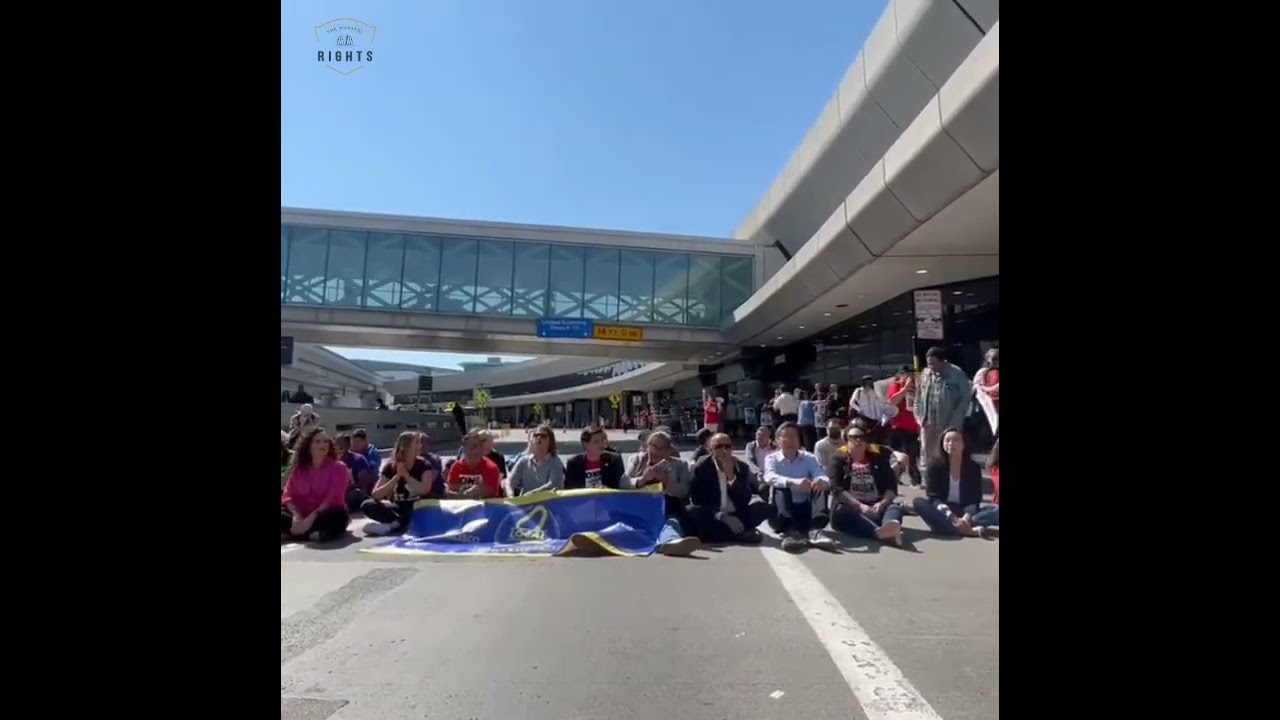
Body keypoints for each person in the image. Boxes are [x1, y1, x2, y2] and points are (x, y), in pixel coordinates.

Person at [687, 433, 773, 543]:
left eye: (727, 446)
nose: (723, 450)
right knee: (691, 511)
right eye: (718, 447)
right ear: (711, 450)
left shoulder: (741, 467)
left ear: (732, 448)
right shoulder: (702, 468)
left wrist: (732, 478)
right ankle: (739, 534)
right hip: (714, 515)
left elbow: (745, 499)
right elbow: (696, 499)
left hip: (736, 513)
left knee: (764, 508)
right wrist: (721, 516)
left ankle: (726, 534)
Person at [626, 430, 700, 556]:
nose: (658, 451)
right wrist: (642, 479)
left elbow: (684, 491)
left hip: (668, 507)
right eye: (654, 447)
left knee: (671, 524)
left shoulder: (680, 465)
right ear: (647, 447)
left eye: (663, 448)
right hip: (641, 506)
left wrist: (667, 482)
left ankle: (671, 543)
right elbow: (624, 483)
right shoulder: (637, 460)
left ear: (669, 450)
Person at [764, 422, 835, 551]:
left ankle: (815, 531)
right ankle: (790, 533)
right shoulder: (772, 458)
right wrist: (792, 482)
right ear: (778, 440)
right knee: (781, 487)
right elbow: (769, 476)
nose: (791, 440)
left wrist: (822, 481)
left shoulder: (809, 458)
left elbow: (820, 474)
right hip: (781, 514)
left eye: (794, 436)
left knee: (819, 486)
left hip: (804, 510)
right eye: (786, 436)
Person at [827, 426, 904, 544]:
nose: (858, 441)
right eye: (853, 437)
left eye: (861, 438)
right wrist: (860, 506)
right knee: (841, 511)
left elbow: (891, 486)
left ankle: (888, 528)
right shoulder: (838, 458)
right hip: (852, 507)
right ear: (846, 440)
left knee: (895, 508)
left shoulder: (878, 457)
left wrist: (882, 503)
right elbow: (836, 489)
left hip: (876, 505)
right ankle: (880, 533)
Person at [911, 427, 992, 537]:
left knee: (994, 511)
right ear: (942, 444)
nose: (951, 444)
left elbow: (975, 499)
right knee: (918, 502)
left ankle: (954, 526)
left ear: (964, 444)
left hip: (965, 510)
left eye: (956, 440)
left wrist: (966, 517)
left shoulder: (973, 467)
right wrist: (950, 515)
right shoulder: (934, 466)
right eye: (947, 440)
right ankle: (966, 530)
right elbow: (934, 498)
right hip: (944, 511)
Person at [362, 431, 444, 536]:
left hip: (418, 505)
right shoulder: (390, 466)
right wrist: (396, 477)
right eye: (417, 442)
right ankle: (398, 523)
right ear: (407, 446)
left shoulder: (424, 465)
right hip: (398, 505)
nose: (421, 445)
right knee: (367, 504)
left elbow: (425, 489)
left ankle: (391, 526)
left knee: (416, 510)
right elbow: (376, 494)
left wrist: (407, 476)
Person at [280, 427, 352, 543]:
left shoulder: (339, 467)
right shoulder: (298, 469)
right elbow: (288, 496)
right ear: (309, 446)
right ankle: (305, 533)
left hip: (323, 514)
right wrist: (296, 517)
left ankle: (298, 533)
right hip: (301, 515)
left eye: (326, 441)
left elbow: (334, 498)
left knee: (338, 515)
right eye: (317, 441)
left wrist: (311, 518)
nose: (323, 444)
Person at [914, 347, 971, 466]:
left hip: (947, 423)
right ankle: (929, 480)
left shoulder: (957, 374)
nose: (931, 366)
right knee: (926, 453)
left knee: (945, 453)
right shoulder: (926, 373)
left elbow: (965, 400)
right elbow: (919, 395)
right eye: (929, 363)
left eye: (934, 363)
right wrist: (918, 415)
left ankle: (947, 480)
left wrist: (955, 423)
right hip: (927, 421)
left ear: (943, 361)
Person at [886, 366, 923, 487]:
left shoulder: (917, 387)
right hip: (898, 426)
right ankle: (894, 477)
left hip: (913, 426)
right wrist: (905, 388)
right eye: (907, 375)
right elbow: (892, 401)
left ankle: (914, 477)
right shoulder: (897, 385)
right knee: (899, 455)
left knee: (913, 454)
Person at [505, 425, 566, 496]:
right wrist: (510, 495)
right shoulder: (524, 461)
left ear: (550, 441)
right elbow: (510, 481)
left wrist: (531, 495)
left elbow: (554, 485)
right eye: (536, 435)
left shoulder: (555, 462)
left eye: (543, 436)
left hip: (546, 504)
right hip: (525, 503)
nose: (539, 438)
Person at [447, 429, 504, 498]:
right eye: (466, 446)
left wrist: (476, 491)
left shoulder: (491, 468)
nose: (469, 450)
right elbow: (450, 488)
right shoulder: (456, 467)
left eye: (474, 446)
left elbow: (491, 492)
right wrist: (461, 495)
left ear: (481, 448)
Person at [334, 433, 375, 511]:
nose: (338, 446)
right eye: (336, 443)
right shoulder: (334, 462)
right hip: (340, 494)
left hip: (353, 492)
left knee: (356, 493)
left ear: (348, 445)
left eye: (341, 443)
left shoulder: (359, 459)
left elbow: (363, 484)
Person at [745, 426, 775, 496]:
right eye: (758, 435)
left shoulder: (774, 446)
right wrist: (758, 472)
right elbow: (750, 461)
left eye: (763, 435)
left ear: (768, 436)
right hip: (756, 475)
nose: (759, 437)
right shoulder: (751, 446)